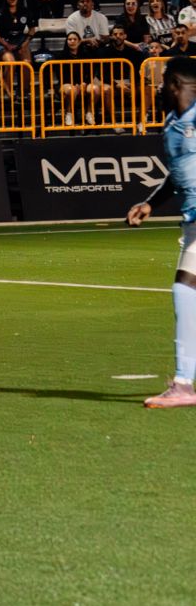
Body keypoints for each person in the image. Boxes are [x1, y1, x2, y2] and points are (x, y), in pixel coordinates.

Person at [125, 56, 196, 406]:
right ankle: (184, 383)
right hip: (193, 220)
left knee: (185, 288)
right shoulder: (170, 125)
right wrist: (151, 203)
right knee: (185, 289)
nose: (157, 88)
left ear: (175, 85)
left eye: (162, 81)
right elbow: (178, 174)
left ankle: (184, 384)